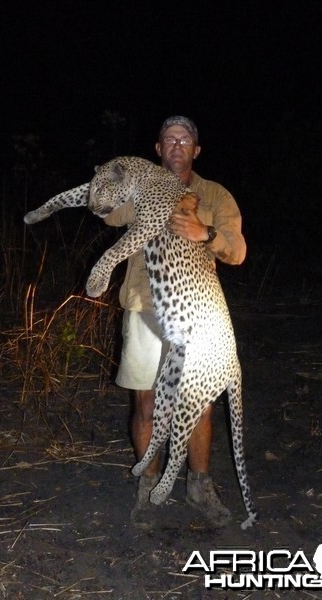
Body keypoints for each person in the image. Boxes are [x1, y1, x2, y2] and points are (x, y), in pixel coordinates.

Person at [104, 116, 246, 527]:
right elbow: (109, 214)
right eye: (169, 140)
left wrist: (206, 233)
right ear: (158, 148)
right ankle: (148, 487)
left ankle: (199, 486)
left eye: (185, 140)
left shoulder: (215, 194)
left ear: (196, 150)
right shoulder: (143, 186)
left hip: (198, 316)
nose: (177, 146)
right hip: (144, 308)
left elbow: (237, 251)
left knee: (199, 406)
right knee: (146, 404)